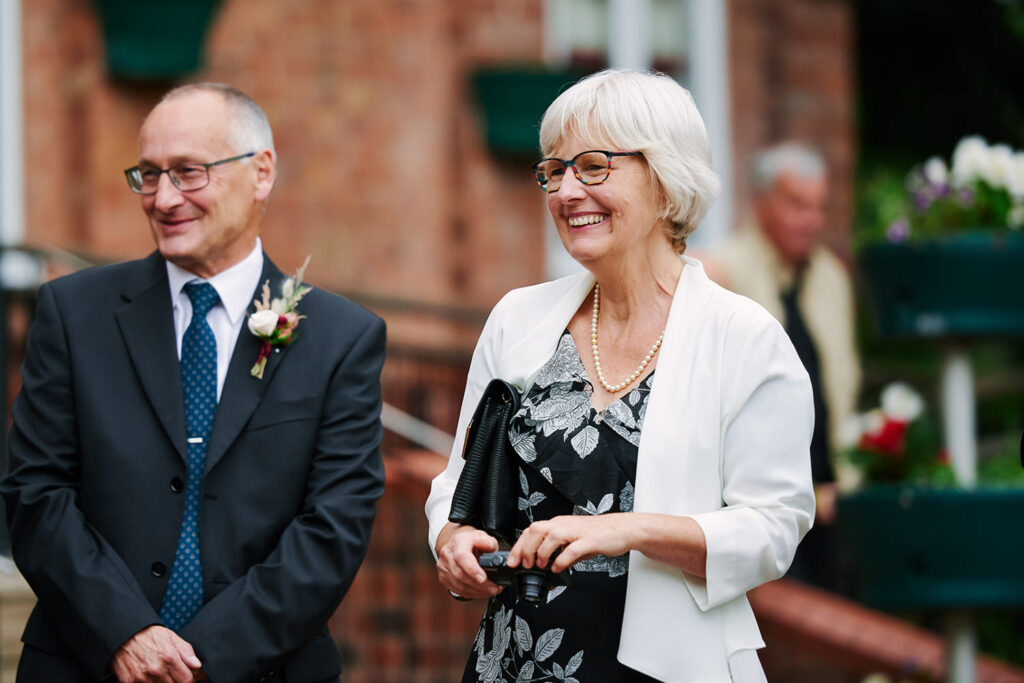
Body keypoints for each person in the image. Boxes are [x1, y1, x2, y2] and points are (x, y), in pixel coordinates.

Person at [425, 70, 815, 683]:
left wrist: (624, 531)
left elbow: (772, 528)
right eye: (553, 172)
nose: (564, 191)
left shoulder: (746, 339)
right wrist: (450, 539)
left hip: (664, 667)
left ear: (666, 179)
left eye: (593, 166)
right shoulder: (517, 319)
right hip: (514, 659)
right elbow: (457, 484)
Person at [1, 83, 386, 683]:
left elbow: (333, 524)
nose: (163, 198)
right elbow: (35, 493)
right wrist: (124, 631)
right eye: (148, 175)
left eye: (188, 172)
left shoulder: (341, 337)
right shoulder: (73, 313)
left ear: (261, 173)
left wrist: (203, 657)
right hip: (85, 661)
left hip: (263, 668)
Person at [706, 142, 861, 591]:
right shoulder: (719, 271)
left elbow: (840, 385)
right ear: (760, 202)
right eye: (797, 204)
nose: (811, 220)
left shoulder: (832, 275)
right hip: (758, 508)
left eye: (817, 207)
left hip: (834, 501)